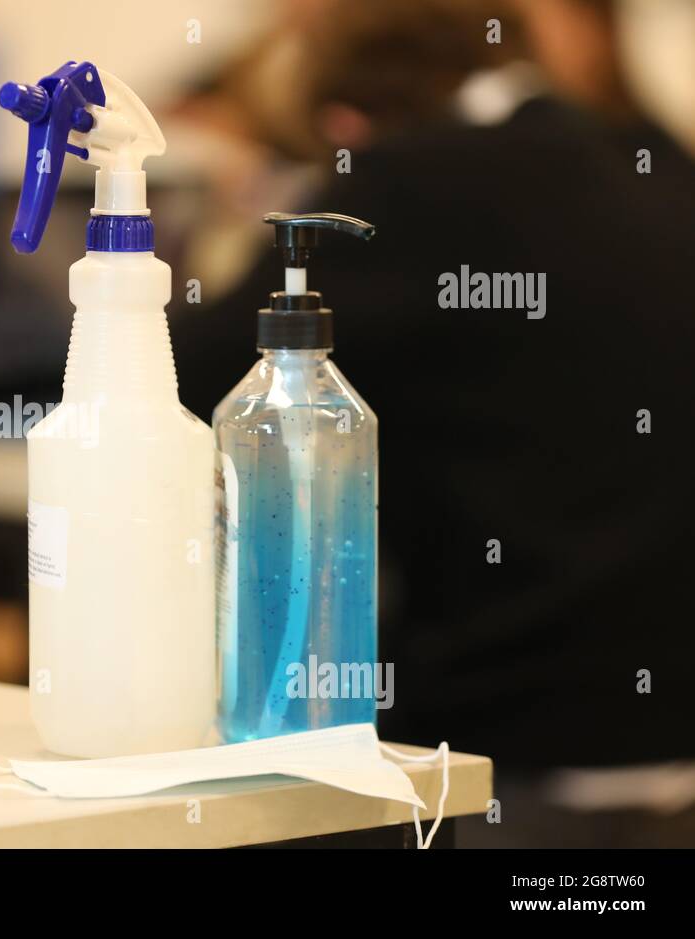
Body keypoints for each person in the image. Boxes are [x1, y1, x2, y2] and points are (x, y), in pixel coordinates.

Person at [172, 0, 695, 840]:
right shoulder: (654, 160)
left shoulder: (409, 182)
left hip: (513, 760)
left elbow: (181, 375)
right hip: (666, 735)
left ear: (347, 121)